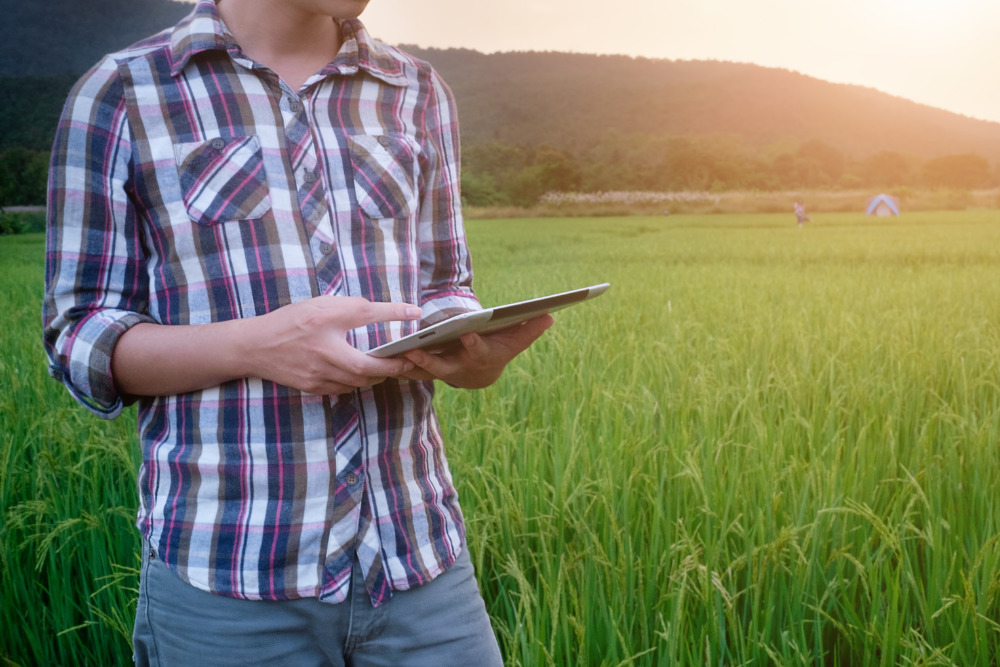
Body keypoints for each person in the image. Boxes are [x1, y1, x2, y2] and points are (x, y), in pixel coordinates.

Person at [42, 0, 552, 663]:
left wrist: (467, 345)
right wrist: (253, 346)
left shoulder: (416, 90)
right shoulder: (123, 92)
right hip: (228, 577)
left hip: (417, 558)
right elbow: (79, 334)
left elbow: (445, 282)